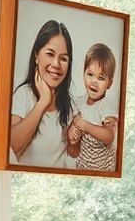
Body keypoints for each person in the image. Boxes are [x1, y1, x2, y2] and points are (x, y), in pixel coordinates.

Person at [9, 19, 74, 168]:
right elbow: (12, 146)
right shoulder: (24, 95)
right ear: (36, 56)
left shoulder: (70, 105)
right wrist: (43, 102)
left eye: (63, 58)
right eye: (50, 54)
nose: (56, 64)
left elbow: (73, 155)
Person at [66, 42, 120, 171]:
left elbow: (109, 137)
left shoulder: (107, 105)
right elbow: (73, 153)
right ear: (83, 74)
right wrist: (72, 137)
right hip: (83, 168)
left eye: (101, 78)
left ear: (109, 84)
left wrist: (84, 125)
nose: (94, 81)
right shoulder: (78, 104)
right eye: (90, 74)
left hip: (104, 169)